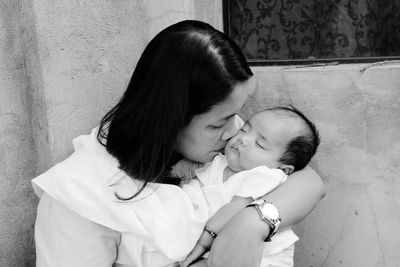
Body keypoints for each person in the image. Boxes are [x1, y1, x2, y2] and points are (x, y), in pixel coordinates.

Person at [32, 20, 325, 267]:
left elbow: (306, 179)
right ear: (170, 119)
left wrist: (252, 223)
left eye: (235, 117)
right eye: (217, 123)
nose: (232, 133)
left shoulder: (222, 143)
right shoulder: (78, 196)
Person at [180, 106, 320, 267]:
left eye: (260, 144)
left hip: (262, 254)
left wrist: (203, 242)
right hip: (215, 245)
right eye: (244, 130)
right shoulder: (218, 161)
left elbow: (236, 207)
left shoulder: (265, 175)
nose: (242, 139)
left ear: (283, 169)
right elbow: (193, 193)